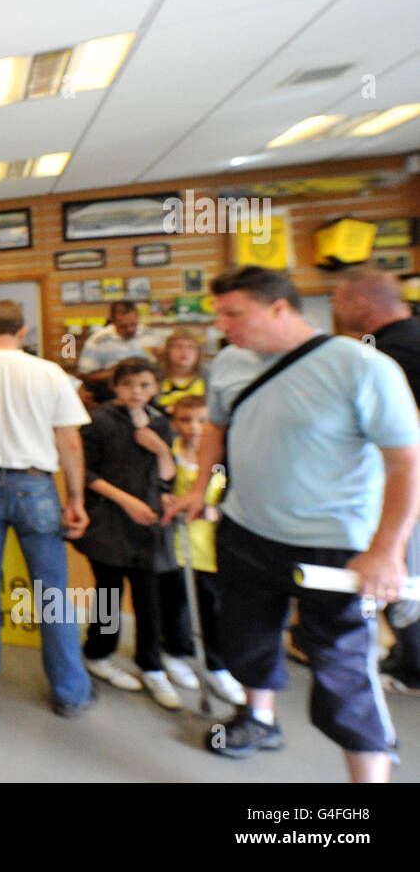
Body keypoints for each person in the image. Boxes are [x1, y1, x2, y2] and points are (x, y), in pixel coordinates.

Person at [168, 265, 420, 783]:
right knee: (248, 639)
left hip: (333, 547)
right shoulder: (232, 362)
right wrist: (200, 489)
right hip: (244, 531)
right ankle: (259, 717)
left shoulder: (362, 366)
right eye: (219, 313)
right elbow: (217, 426)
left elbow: (405, 461)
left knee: (343, 673)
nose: (223, 325)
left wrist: (388, 548)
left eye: (234, 313)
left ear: (280, 308)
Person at [0, 300, 95, 717]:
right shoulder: (49, 372)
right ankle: (69, 692)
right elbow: (70, 442)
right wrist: (75, 500)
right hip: (35, 487)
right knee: (52, 591)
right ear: (23, 333)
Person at [74, 357, 182, 709]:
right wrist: (126, 501)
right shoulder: (98, 420)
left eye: (145, 385)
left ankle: (151, 664)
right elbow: (86, 473)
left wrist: (160, 448)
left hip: (149, 522)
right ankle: (98, 653)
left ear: (157, 388)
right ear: (117, 386)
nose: (137, 392)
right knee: (109, 590)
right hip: (109, 520)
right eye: (129, 384)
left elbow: (167, 475)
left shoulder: (161, 423)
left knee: (149, 596)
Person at [332, 269, 420, 695]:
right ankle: (408, 659)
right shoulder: (406, 341)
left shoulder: (385, 355)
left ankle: (413, 666)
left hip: (405, 483)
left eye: (340, 301)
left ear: (361, 304)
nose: (336, 309)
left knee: (400, 572)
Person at [155, 395, 247, 704]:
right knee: (175, 602)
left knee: (214, 607)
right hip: (176, 543)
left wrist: (216, 511)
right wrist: (164, 499)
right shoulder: (171, 454)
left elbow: (238, 497)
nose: (194, 428)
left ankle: (216, 665)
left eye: (202, 420)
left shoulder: (224, 458)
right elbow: (157, 487)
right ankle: (175, 652)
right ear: (175, 423)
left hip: (211, 547)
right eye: (186, 420)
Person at [77, 301, 160, 402]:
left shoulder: (150, 335)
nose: (130, 329)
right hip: (111, 396)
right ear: (113, 322)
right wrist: (116, 372)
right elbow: (85, 375)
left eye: (133, 324)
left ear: (138, 318)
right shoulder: (98, 340)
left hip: (147, 395)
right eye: (123, 326)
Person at [155, 329, 206, 414]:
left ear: (199, 353)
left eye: (191, 347)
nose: (184, 351)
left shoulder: (209, 377)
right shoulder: (155, 376)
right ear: (168, 351)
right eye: (178, 346)